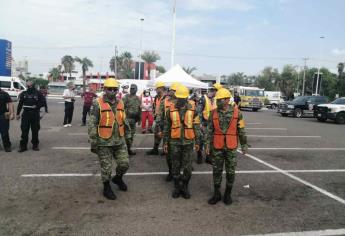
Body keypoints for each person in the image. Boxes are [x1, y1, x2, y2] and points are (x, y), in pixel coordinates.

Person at [88, 78, 131, 200]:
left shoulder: (121, 103)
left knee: (124, 164)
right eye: (110, 89)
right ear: (105, 89)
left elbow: (124, 119)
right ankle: (106, 187)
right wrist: (93, 141)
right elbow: (92, 123)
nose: (112, 91)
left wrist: (128, 135)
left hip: (119, 140)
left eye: (114, 89)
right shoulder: (97, 103)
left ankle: (118, 178)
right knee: (106, 167)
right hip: (103, 141)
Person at [205, 88, 248, 205]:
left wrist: (244, 145)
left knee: (230, 171)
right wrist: (207, 145)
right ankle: (216, 194)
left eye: (220, 99)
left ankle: (228, 194)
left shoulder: (237, 112)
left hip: (231, 147)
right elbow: (209, 130)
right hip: (217, 147)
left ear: (227, 100)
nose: (217, 102)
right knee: (216, 170)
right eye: (217, 99)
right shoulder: (213, 112)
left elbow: (241, 130)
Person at [163, 85, 200, 199]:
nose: (181, 100)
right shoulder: (170, 110)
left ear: (187, 97)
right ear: (176, 97)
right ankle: (177, 187)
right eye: (179, 97)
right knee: (175, 166)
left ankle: (184, 186)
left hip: (188, 142)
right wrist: (165, 143)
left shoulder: (193, 110)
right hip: (174, 142)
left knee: (188, 168)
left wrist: (198, 141)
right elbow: (167, 127)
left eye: (183, 98)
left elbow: (196, 126)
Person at [156, 82, 180, 181]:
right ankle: (171, 172)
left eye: (174, 90)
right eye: (171, 90)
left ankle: (178, 172)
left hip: (180, 132)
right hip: (168, 131)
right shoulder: (164, 102)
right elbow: (159, 115)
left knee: (180, 154)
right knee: (169, 154)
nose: (172, 92)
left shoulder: (183, 101)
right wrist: (159, 127)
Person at [16, 79, 45, 152]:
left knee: (35, 130)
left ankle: (35, 145)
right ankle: (23, 146)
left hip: (35, 114)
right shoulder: (23, 93)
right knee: (24, 130)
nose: (29, 86)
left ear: (33, 85)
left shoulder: (38, 93)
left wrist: (36, 106)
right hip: (26, 114)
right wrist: (17, 114)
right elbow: (20, 104)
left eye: (30, 85)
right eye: (28, 85)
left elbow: (42, 102)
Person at [146, 81, 166, 155]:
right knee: (157, 134)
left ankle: (165, 150)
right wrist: (153, 112)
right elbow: (155, 106)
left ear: (161, 88)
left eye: (157, 88)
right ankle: (155, 150)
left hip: (164, 120)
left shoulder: (167, 98)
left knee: (165, 135)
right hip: (157, 119)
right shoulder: (156, 97)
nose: (156, 90)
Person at [122, 84, 141, 156]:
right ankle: (123, 150)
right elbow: (121, 107)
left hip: (133, 120)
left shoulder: (138, 98)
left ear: (136, 89)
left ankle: (129, 149)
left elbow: (139, 109)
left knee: (131, 136)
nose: (132, 90)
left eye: (134, 89)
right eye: (131, 88)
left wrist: (139, 119)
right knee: (126, 136)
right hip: (126, 120)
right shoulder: (126, 97)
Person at [0, 87, 14, 152]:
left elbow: (10, 104)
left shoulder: (4, 94)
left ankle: (7, 146)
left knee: (4, 132)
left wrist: (12, 113)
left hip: (3, 115)